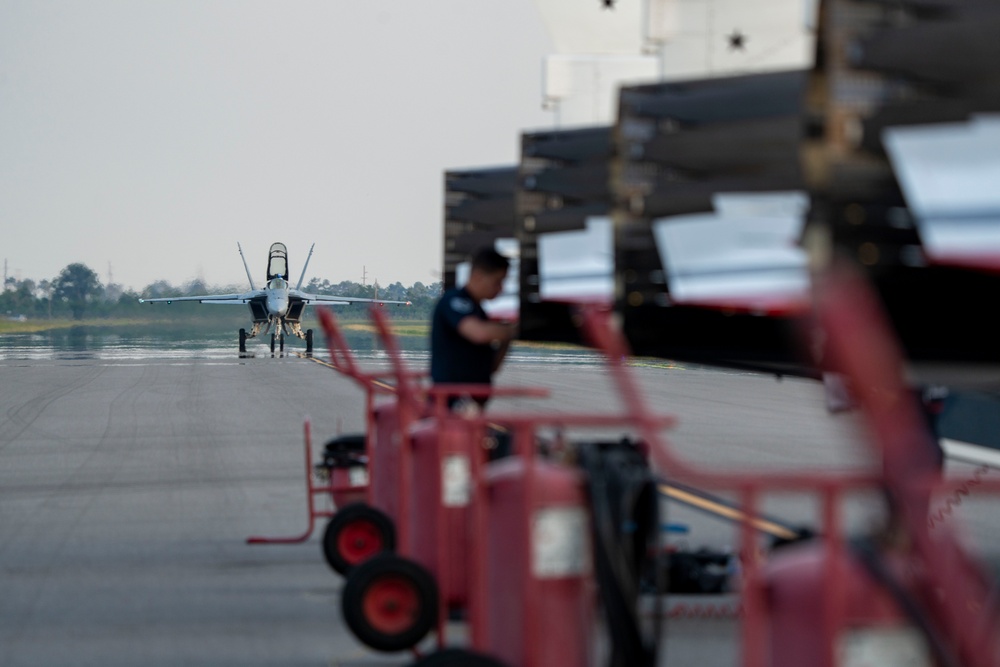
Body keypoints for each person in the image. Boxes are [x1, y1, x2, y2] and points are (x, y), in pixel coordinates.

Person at [430, 247, 517, 410]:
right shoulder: (455, 301)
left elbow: (491, 367)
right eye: (497, 282)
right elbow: (479, 334)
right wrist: (511, 330)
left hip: (471, 404)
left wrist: (505, 340)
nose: (500, 289)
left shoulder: (479, 312)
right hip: (451, 405)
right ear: (477, 276)